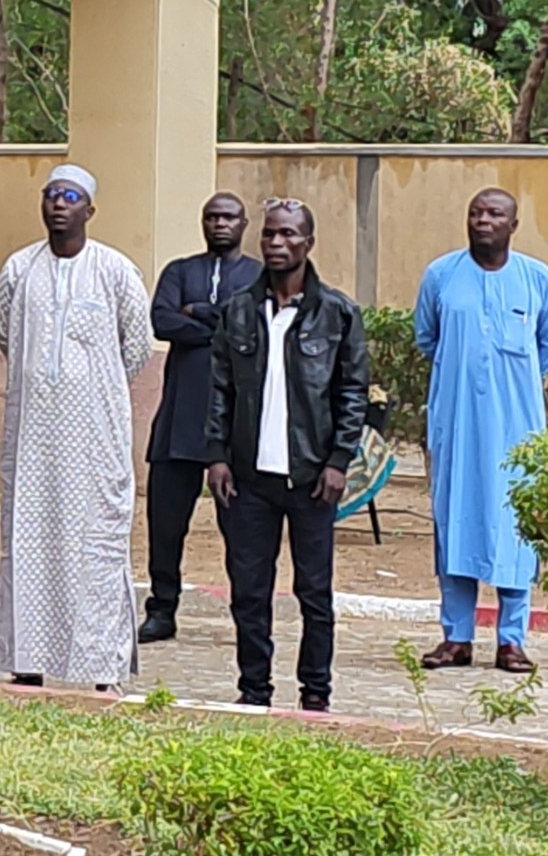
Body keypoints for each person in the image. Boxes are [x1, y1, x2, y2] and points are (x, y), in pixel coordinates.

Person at [0, 164, 151, 689]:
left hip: (95, 440)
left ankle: (101, 667)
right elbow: (8, 335)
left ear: (90, 210)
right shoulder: (17, 270)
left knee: (96, 545)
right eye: (53, 195)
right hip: (32, 436)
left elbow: (137, 346)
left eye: (72, 197)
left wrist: (90, 387)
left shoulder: (116, 271)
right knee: (28, 544)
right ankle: (27, 662)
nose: (60, 204)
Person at [205, 199, 369, 711]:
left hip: (313, 477)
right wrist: (216, 456)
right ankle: (254, 692)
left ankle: (315, 695)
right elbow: (219, 390)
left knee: (314, 594)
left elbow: (351, 393)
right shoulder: (237, 310)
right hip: (249, 478)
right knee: (249, 592)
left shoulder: (338, 313)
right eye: (271, 235)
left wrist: (340, 460)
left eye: (289, 235)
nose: (277, 244)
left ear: (308, 243)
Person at [413, 188, 548, 674]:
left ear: (513, 225)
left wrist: (507, 383)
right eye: (475, 212)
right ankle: (456, 638)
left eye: (494, 214)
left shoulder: (537, 280)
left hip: (517, 429)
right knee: (455, 521)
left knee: (514, 529)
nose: (483, 220)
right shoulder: (441, 276)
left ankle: (511, 640)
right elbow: (427, 338)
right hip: (455, 423)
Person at [140, 193, 258, 644]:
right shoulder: (179, 270)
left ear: (243, 223)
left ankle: (248, 617)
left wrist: (203, 315)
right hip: (179, 422)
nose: (219, 224)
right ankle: (162, 609)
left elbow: (251, 329)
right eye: (211, 216)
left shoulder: (259, 275)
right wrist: (219, 324)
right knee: (165, 526)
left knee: (244, 532)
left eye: (228, 216)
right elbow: (162, 322)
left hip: (236, 428)